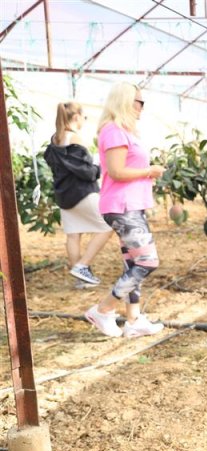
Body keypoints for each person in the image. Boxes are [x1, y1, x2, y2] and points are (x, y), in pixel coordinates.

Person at [84, 83, 165, 338]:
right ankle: (103, 309)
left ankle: (133, 320)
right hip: (122, 206)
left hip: (129, 205)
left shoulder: (122, 132)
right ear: (125, 102)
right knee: (147, 261)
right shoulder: (114, 131)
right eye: (139, 102)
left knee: (133, 262)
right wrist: (149, 171)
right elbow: (117, 172)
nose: (142, 107)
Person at [43, 102, 113, 288]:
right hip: (82, 194)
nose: (84, 120)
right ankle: (83, 266)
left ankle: (80, 281)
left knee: (74, 235)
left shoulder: (55, 139)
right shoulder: (75, 138)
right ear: (76, 117)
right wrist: (99, 167)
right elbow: (86, 172)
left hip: (64, 196)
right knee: (108, 224)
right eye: (84, 117)